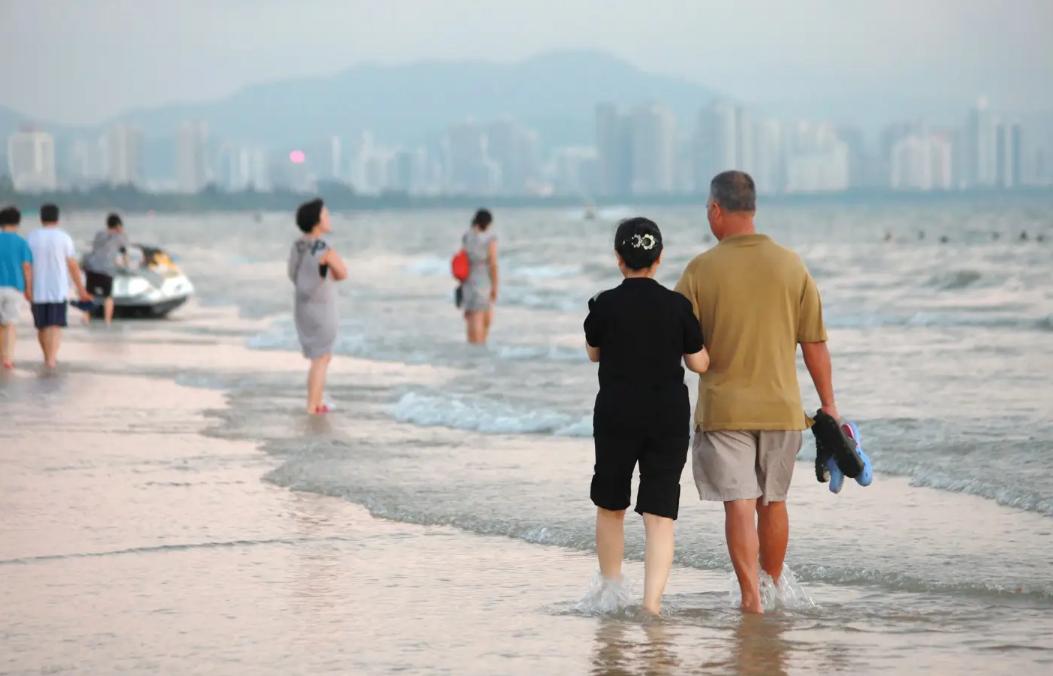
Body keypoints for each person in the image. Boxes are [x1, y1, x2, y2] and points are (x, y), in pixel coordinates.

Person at [675, 171, 837, 614]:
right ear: (754, 208)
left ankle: (751, 600)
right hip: (782, 408)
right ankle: (772, 586)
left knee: (739, 505)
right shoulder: (791, 264)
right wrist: (829, 405)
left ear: (715, 210)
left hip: (725, 408)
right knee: (773, 502)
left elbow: (680, 339)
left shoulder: (700, 270)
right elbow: (814, 343)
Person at [584, 217, 710, 615]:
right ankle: (652, 606)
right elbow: (699, 364)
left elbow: (593, 353)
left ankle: (610, 593)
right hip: (667, 417)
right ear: (659, 260)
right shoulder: (677, 306)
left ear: (619, 259)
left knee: (610, 505)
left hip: (617, 413)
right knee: (659, 513)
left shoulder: (604, 303)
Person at [288, 198, 347, 415]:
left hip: (303, 306)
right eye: (326, 215)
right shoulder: (323, 247)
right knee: (321, 358)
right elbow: (342, 273)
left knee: (318, 357)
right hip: (322, 308)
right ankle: (313, 405)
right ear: (316, 221)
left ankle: (315, 402)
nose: (328, 218)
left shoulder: (297, 245)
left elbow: (291, 273)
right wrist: (326, 271)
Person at [25, 204, 91, 368]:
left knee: (41, 326)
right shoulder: (64, 238)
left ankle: (47, 357)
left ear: (41, 218)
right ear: (57, 218)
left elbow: (26, 265)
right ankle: (51, 359)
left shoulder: (31, 237)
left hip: (37, 289)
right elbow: (72, 265)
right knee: (54, 325)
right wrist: (81, 289)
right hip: (58, 288)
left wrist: (27, 288)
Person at [0, 206, 33, 369]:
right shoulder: (22, 242)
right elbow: (26, 266)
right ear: (18, 222)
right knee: (9, 324)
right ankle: (7, 358)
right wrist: (29, 289)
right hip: (14, 287)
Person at [83, 212, 129, 324]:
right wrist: (125, 266)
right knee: (108, 297)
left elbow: (95, 248)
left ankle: (86, 318)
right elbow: (124, 253)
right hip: (107, 270)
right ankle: (107, 321)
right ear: (118, 225)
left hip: (92, 267)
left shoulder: (99, 234)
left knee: (89, 294)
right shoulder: (120, 237)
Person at [461, 208, 498, 344]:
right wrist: (495, 286)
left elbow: (463, 257)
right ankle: (479, 346)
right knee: (481, 316)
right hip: (482, 278)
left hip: (467, 279)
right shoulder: (490, 239)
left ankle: (472, 345)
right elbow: (493, 264)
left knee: (471, 315)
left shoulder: (467, 236)